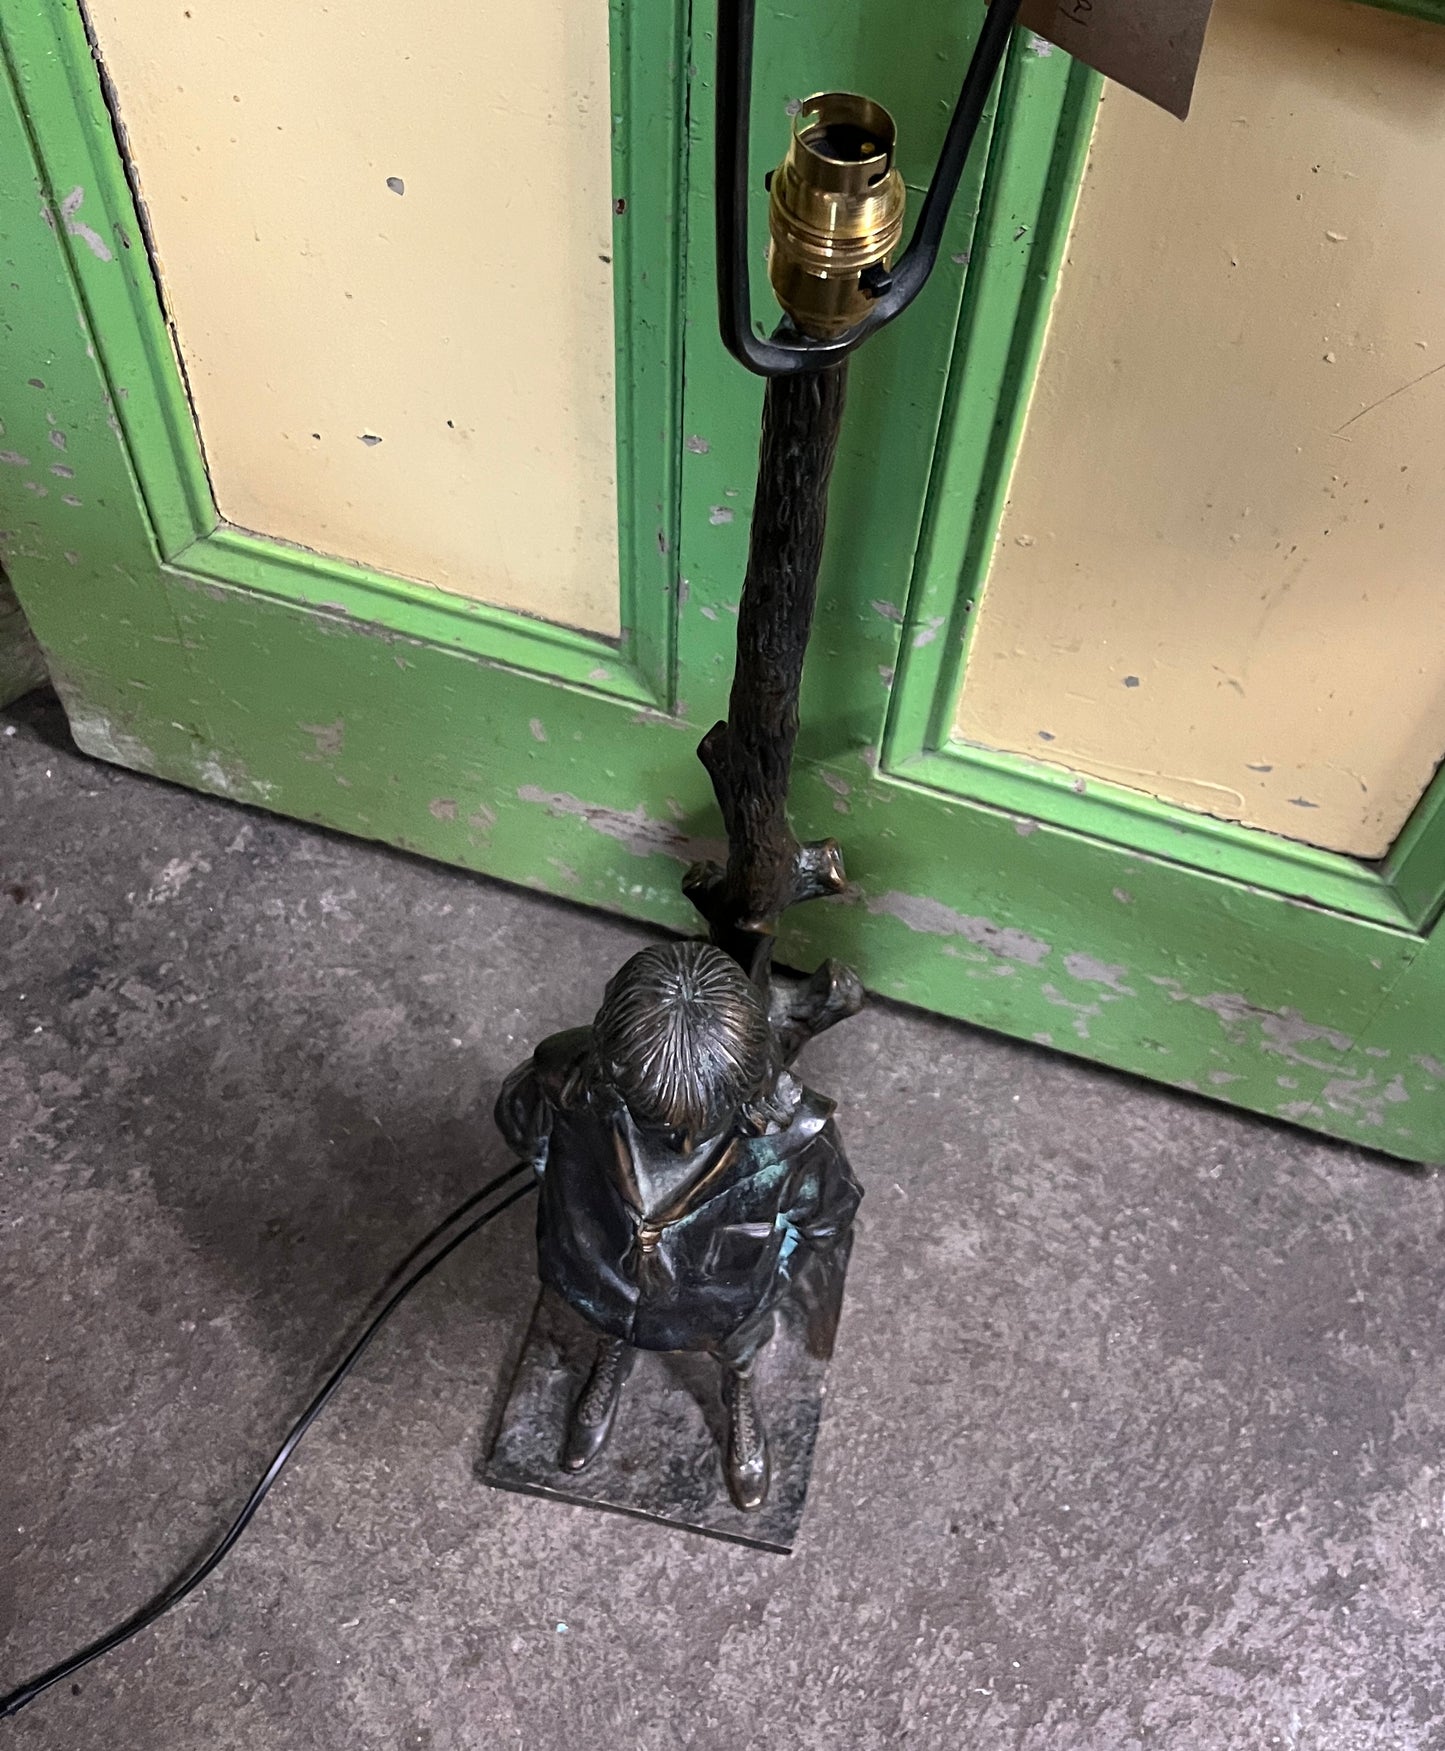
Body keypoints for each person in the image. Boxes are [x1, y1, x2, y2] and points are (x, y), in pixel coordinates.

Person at [495, 939, 862, 1511]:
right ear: (612, 1068)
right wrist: (567, 1200)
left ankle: (737, 1389)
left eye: (705, 1124)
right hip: (600, 1276)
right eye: (660, 1123)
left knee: (736, 1348)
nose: (685, 1144)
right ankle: (613, 1354)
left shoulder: (796, 1138)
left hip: (724, 1296)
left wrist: (768, 1270)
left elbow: (829, 1217)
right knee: (610, 1324)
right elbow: (524, 1127)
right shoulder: (564, 1075)